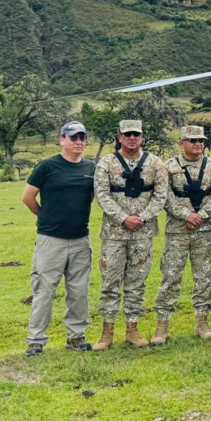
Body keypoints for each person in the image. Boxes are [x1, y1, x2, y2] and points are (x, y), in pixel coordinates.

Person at [20, 120, 96, 356]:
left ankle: (76, 337)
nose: (78, 142)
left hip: (80, 239)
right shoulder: (47, 166)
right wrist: (45, 217)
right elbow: (28, 197)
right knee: (44, 290)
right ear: (62, 140)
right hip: (50, 240)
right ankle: (36, 341)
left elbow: (91, 197)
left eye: (82, 137)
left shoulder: (91, 168)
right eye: (73, 137)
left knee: (79, 291)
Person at [91, 119, 168, 350]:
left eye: (136, 134)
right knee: (110, 282)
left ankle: (132, 329)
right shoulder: (106, 163)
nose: (132, 138)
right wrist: (123, 218)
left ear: (141, 137)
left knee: (137, 283)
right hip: (114, 233)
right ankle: (106, 332)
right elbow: (102, 195)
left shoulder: (155, 163)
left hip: (143, 233)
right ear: (120, 137)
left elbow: (160, 196)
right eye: (127, 134)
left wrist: (142, 217)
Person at [151, 125, 211, 344]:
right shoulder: (169, 166)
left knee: (205, 276)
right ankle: (162, 325)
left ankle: (202, 322)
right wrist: (186, 215)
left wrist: (201, 215)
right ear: (182, 143)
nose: (198, 144)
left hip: (204, 230)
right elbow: (164, 195)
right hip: (177, 231)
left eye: (201, 140)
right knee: (170, 275)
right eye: (192, 140)